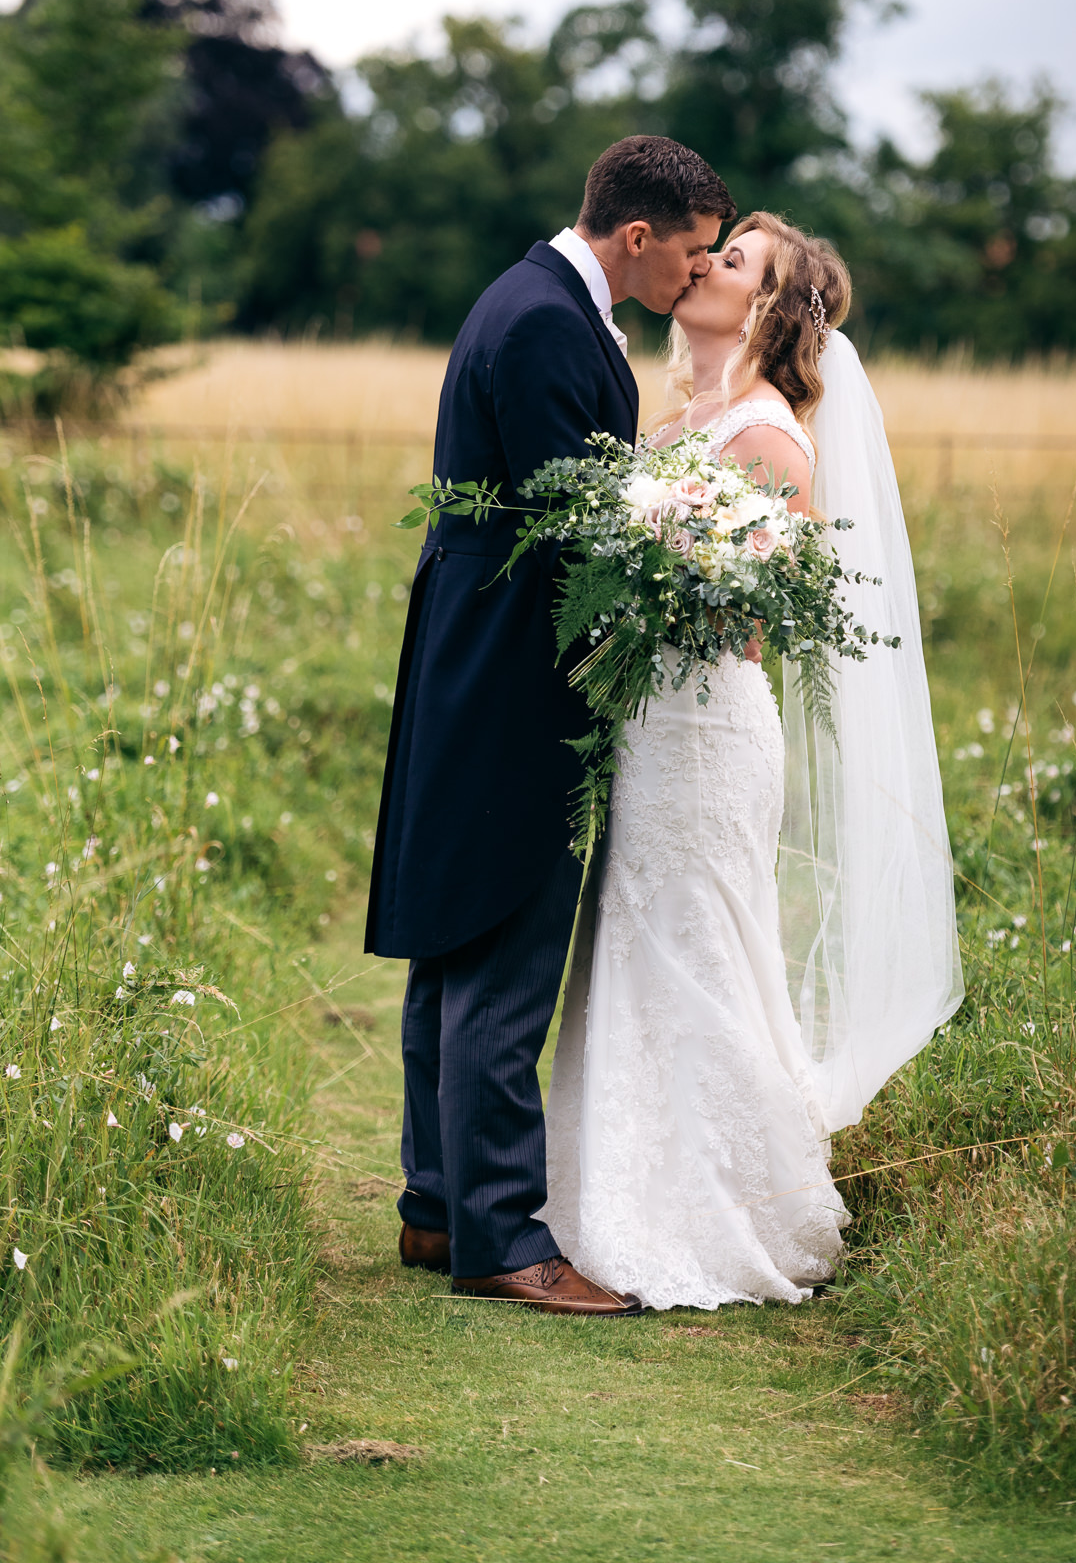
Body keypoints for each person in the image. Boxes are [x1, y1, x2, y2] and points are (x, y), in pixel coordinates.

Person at [541, 212, 964, 1310]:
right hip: (650, 726)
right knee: (633, 943)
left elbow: (768, 614)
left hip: (710, 731)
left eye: (734, 260)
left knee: (705, 949)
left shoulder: (771, 435)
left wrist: (676, 576)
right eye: (715, 250)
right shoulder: (686, 417)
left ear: (773, 306)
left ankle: (725, 1208)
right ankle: (611, 1189)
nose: (706, 265)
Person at [365, 134, 734, 1315]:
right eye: (694, 250)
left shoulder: (536, 301)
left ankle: (437, 1207)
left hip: (481, 649)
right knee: (508, 933)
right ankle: (502, 1238)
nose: (697, 270)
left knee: (460, 934)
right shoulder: (540, 322)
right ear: (640, 236)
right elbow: (578, 528)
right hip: (517, 661)